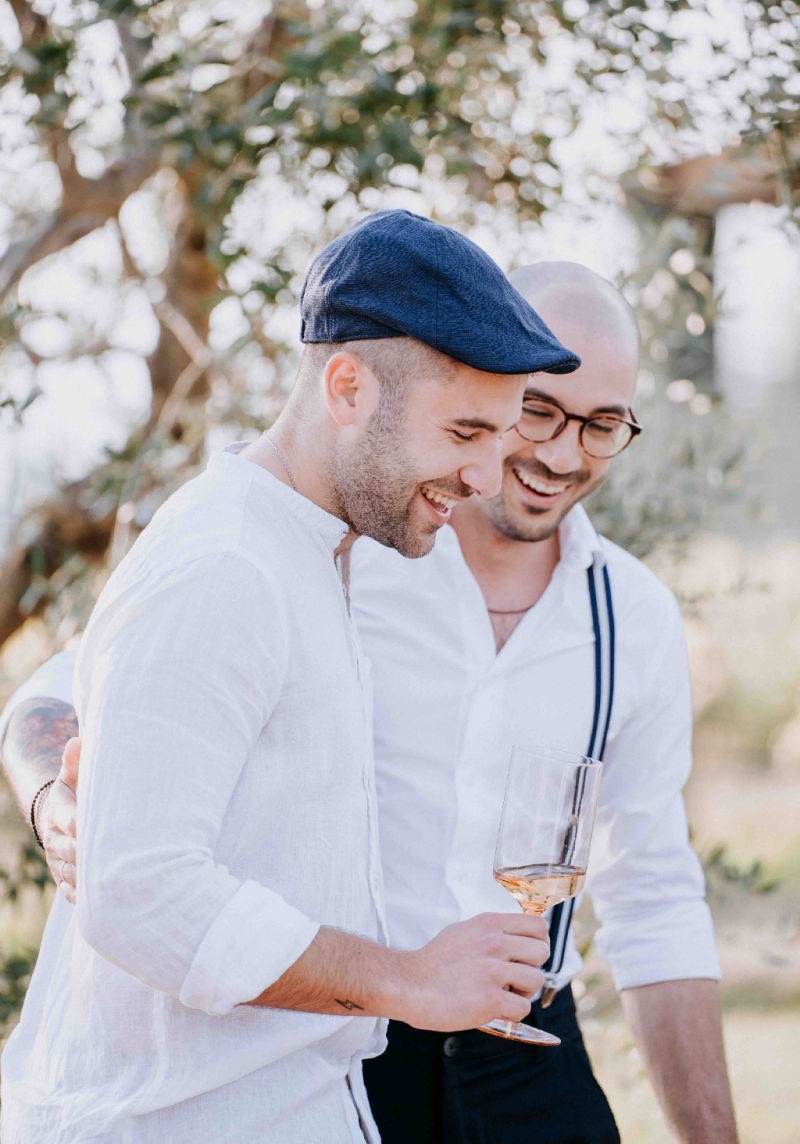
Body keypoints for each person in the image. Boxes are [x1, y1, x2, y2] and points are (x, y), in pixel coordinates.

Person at [3, 263, 739, 1144]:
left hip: (527, 1060)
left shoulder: (635, 616)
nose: (560, 452)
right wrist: (63, 805)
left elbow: (654, 893)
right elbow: (67, 687)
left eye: (603, 424)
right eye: (535, 412)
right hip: (345, 1031)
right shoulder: (348, 540)